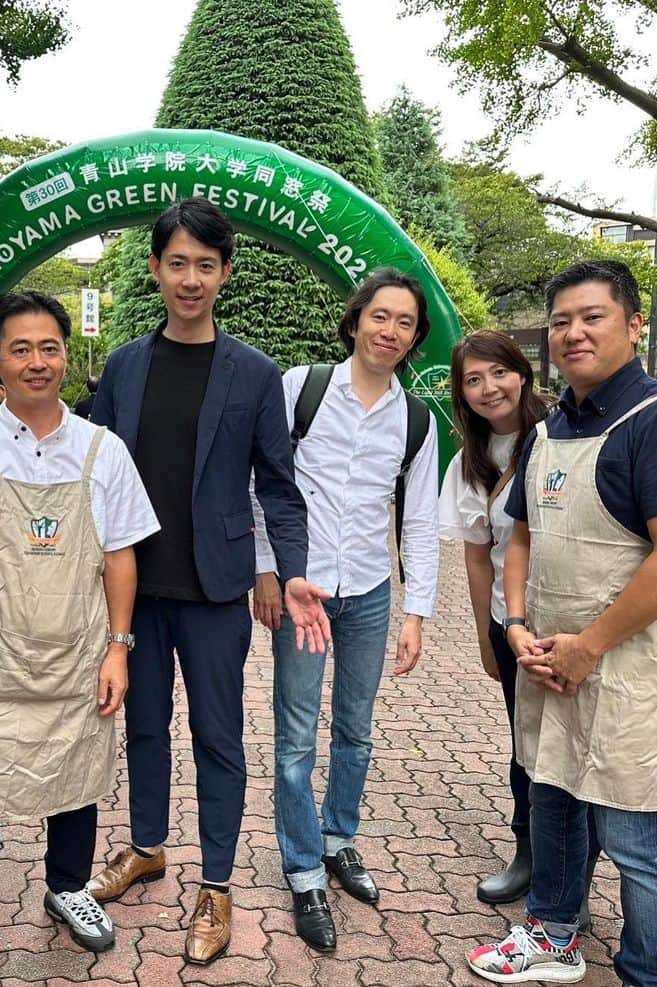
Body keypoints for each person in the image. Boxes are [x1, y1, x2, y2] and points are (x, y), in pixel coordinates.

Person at [87, 197, 330, 965]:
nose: (190, 278)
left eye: (206, 264)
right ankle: (148, 846)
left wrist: (288, 572)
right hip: (135, 586)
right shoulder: (124, 365)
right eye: (177, 263)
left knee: (218, 736)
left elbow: (278, 486)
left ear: (225, 273)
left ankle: (217, 883)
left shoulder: (254, 373)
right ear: (155, 268)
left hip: (217, 589)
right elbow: (92, 468)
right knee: (144, 727)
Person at [467, 260, 657, 986]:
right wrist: (514, 626)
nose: (572, 333)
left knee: (638, 840)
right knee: (555, 807)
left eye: (592, 316)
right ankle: (552, 933)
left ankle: (647, 974)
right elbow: (519, 536)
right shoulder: (551, 430)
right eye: (561, 321)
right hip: (546, 660)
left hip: (627, 674)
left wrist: (588, 646)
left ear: (635, 326)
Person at [0, 290, 159, 987]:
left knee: (76, 781)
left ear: (66, 354)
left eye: (48, 347)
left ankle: (67, 885)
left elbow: (120, 554)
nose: (36, 361)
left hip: (77, 655)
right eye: (19, 348)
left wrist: (119, 644)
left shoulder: (101, 449)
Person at [252, 267, 439, 951]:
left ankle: (339, 840)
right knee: (297, 737)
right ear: (355, 318)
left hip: (367, 593)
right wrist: (266, 571)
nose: (389, 331)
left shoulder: (416, 419)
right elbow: (260, 484)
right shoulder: (300, 389)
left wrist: (416, 611)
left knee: (356, 730)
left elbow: (418, 521)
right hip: (304, 594)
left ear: (415, 336)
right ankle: (303, 871)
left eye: (405, 322)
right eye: (379, 316)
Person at [439, 331, 550, 907]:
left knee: (580, 748)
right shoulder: (471, 461)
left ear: (522, 372)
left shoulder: (560, 435)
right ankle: (529, 853)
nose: (489, 389)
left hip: (574, 616)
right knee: (525, 742)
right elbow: (478, 554)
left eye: (499, 373)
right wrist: (489, 632)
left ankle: (574, 870)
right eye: (473, 380)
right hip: (514, 623)